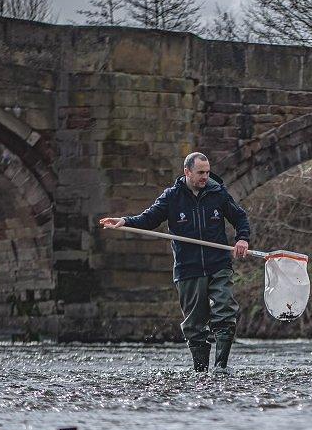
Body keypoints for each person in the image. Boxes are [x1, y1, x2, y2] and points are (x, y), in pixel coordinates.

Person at [99, 152, 251, 373]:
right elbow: (149, 218)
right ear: (187, 172)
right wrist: (125, 221)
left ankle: (220, 368)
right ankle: (200, 372)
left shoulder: (218, 192)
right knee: (194, 325)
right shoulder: (171, 197)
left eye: (207, 172)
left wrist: (242, 239)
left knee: (225, 311)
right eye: (200, 173)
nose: (205, 177)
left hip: (218, 264)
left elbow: (240, 218)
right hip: (188, 269)